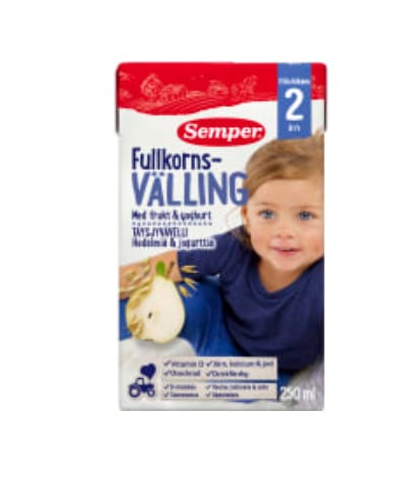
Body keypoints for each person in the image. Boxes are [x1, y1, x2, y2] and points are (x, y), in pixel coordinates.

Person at [120, 132, 324, 378]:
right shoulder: (234, 243)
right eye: (267, 214)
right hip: (220, 327)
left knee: (253, 388)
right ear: (247, 217)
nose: (284, 232)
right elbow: (169, 262)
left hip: (276, 369)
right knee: (175, 289)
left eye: (305, 216)